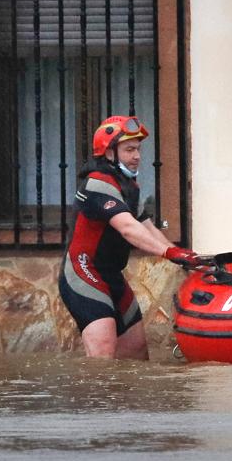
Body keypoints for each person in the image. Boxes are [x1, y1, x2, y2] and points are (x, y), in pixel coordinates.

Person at [59, 115, 201, 359]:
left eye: (138, 149)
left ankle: (124, 400)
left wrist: (180, 254)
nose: (137, 156)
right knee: (103, 354)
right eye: (129, 149)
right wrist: (168, 252)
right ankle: (94, 398)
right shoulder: (98, 183)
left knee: (136, 352)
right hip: (83, 273)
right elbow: (127, 228)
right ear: (110, 153)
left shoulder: (128, 186)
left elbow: (146, 226)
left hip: (111, 275)